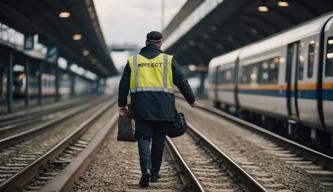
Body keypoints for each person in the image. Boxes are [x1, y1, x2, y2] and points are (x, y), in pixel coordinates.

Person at [118, 31, 197, 187]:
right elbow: (182, 81)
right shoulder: (168, 60)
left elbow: (124, 84)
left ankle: (145, 170)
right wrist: (191, 100)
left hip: (141, 108)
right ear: (160, 43)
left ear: (146, 42)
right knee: (159, 140)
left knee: (143, 138)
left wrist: (122, 105)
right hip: (164, 108)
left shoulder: (133, 61)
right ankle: (154, 174)